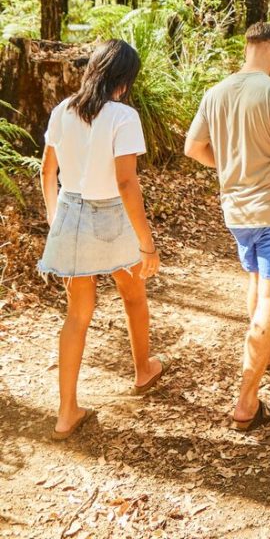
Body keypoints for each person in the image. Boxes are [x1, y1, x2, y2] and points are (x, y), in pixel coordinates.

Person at [184, 21, 270, 431]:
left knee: (254, 280)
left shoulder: (216, 92)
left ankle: (268, 350)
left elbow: (193, 148)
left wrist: (230, 167)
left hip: (237, 212)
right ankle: (246, 400)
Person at [38, 39, 164, 441]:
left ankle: (65, 412)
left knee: (77, 315)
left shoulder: (63, 110)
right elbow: (127, 182)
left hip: (71, 211)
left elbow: (47, 171)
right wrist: (147, 242)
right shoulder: (123, 117)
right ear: (124, 81)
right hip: (112, 214)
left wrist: (56, 218)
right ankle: (143, 370)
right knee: (133, 295)